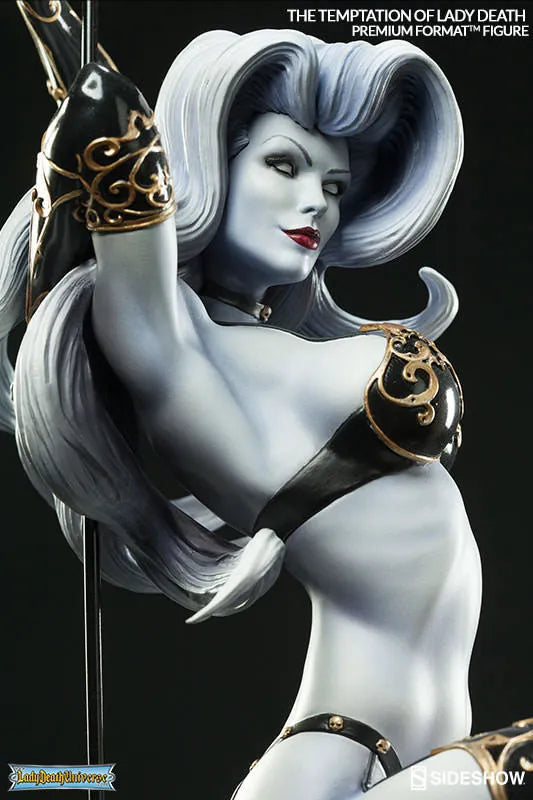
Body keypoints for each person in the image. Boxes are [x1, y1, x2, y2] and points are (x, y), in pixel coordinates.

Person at [1, 24, 531, 800]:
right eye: (282, 165)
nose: (314, 199)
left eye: (334, 185)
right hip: (336, 754)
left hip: (395, 754)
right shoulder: (173, 347)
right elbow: (110, 114)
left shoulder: (275, 346)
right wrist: (60, 37)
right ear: (204, 169)